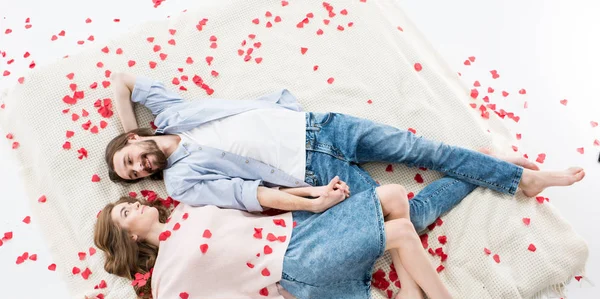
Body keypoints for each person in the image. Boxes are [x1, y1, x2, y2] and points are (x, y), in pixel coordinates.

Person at [87, 180, 503, 299]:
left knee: (394, 195)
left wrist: (315, 196)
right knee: (401, 232)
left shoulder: (187, 208)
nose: (136, 204)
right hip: (293, 263)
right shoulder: (167, 277)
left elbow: (258, 198)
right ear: (131, 238)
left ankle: (409, 292)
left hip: (298, 228)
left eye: (129, 202)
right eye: (126, 212)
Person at [105, 72, 585, 225]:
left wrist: (129, 132)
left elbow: (124, 80)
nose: (140, 165)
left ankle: (519, 178)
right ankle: (498, 169)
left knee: (426, 150)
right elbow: (250, 196)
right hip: (312, 171)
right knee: (405, 220)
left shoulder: (169, 115)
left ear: (134, 140)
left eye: (131, 158)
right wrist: (313, 201)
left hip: (321, 126)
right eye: (134, 173)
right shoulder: (179, 180)